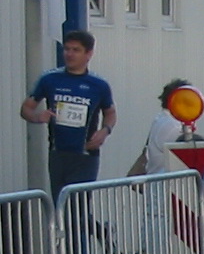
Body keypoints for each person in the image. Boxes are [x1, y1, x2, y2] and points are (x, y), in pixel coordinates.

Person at [21, 29, 117, 196]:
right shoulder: (50, 79)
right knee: (61, 204)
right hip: (58, 153)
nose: (70, 54)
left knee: (78, 207)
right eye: (67, 49)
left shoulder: (98, 85)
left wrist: (105, 131)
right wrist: (37, 117)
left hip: (86, 154)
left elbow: (110, 113)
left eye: (76, 50)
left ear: (89, 54)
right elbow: (26, 108)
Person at [132, 78, 192, 175]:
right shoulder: (173, 127)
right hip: (168, 187)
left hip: (158, 185)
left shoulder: (161, 120)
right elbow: (191, 160)